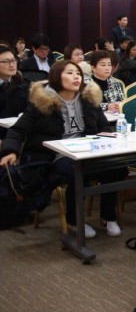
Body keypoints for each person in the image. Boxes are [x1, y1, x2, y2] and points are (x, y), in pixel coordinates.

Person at [0, 61, 128, 237]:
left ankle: (108, 216)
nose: (76, 77)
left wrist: (106, 135)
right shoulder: (42, 102)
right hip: (56, 154)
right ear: (56, 77)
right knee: (77, 172)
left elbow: (103, 125)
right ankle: (74, 220)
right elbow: (18, 130)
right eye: (69, 73)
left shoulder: (88, 99)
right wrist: (10, 151)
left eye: (78, 73)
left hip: (88, 151)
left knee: (116, 169)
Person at [0, 45, 30, 139]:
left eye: (13, 60)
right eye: (6, 61)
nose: (12, 65)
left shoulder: (24, 84)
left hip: (18, 136)